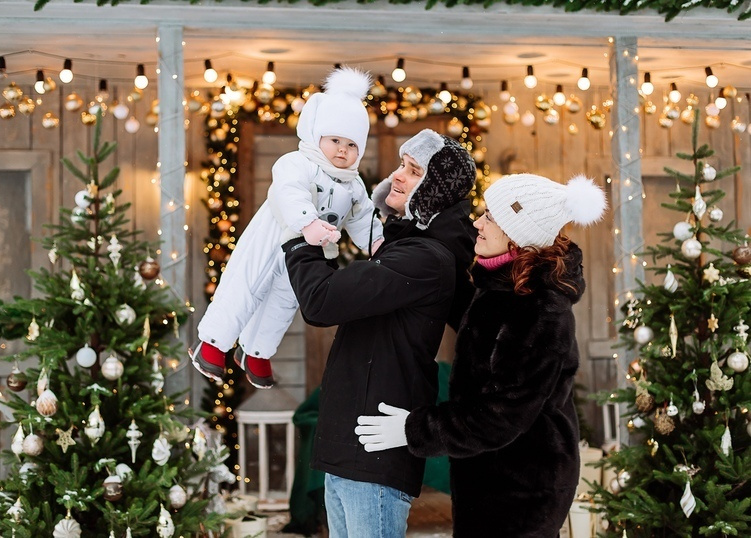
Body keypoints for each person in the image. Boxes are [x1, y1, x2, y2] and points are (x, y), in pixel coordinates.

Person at [356, 173, 607, 537]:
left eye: (490, 216)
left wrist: (414, 429)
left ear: (517, 235)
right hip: (491, 479)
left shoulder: (540, 310)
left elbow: (502, 415)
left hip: (524, 490)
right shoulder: (500, 289)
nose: (478, 221)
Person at [283, 128, 477, 538]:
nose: (398, 176)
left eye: (413, 171)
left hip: (373, 451)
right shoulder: (407, 246)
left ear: (434, 191)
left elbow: (321, 301)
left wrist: (298, 238)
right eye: (401, 166)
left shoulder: (424, 257)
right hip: (351, 447)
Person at [192, 67, 383, 389]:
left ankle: (256, 353)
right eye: (335, 140)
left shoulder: (353, 183)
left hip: (305, 253)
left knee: (283, 303)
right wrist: (307, 222)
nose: (342, 150)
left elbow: (362, 215)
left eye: (352, 145)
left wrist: (376, 241)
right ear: (316, 136)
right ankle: (212, 343)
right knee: (246, 288)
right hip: (272, 239)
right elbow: (289, 191)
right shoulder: (299, 162)